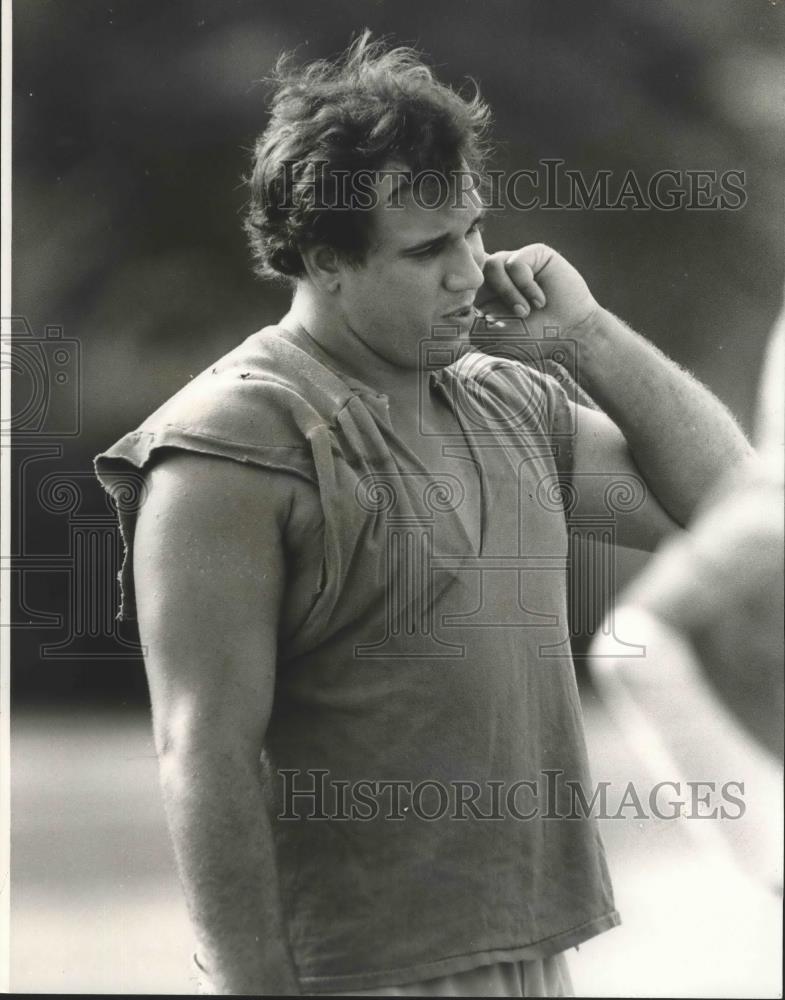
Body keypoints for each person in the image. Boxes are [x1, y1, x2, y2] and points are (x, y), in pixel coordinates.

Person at [94, 34, 752, 997]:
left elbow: (735, 518)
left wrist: (586, 335)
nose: (470, 272)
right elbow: (203, 750)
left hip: (533, 951)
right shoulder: (229, 446)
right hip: (363, 973)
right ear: (325, 261)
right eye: (429, 250)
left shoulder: (509, 400)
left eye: (474, 232)